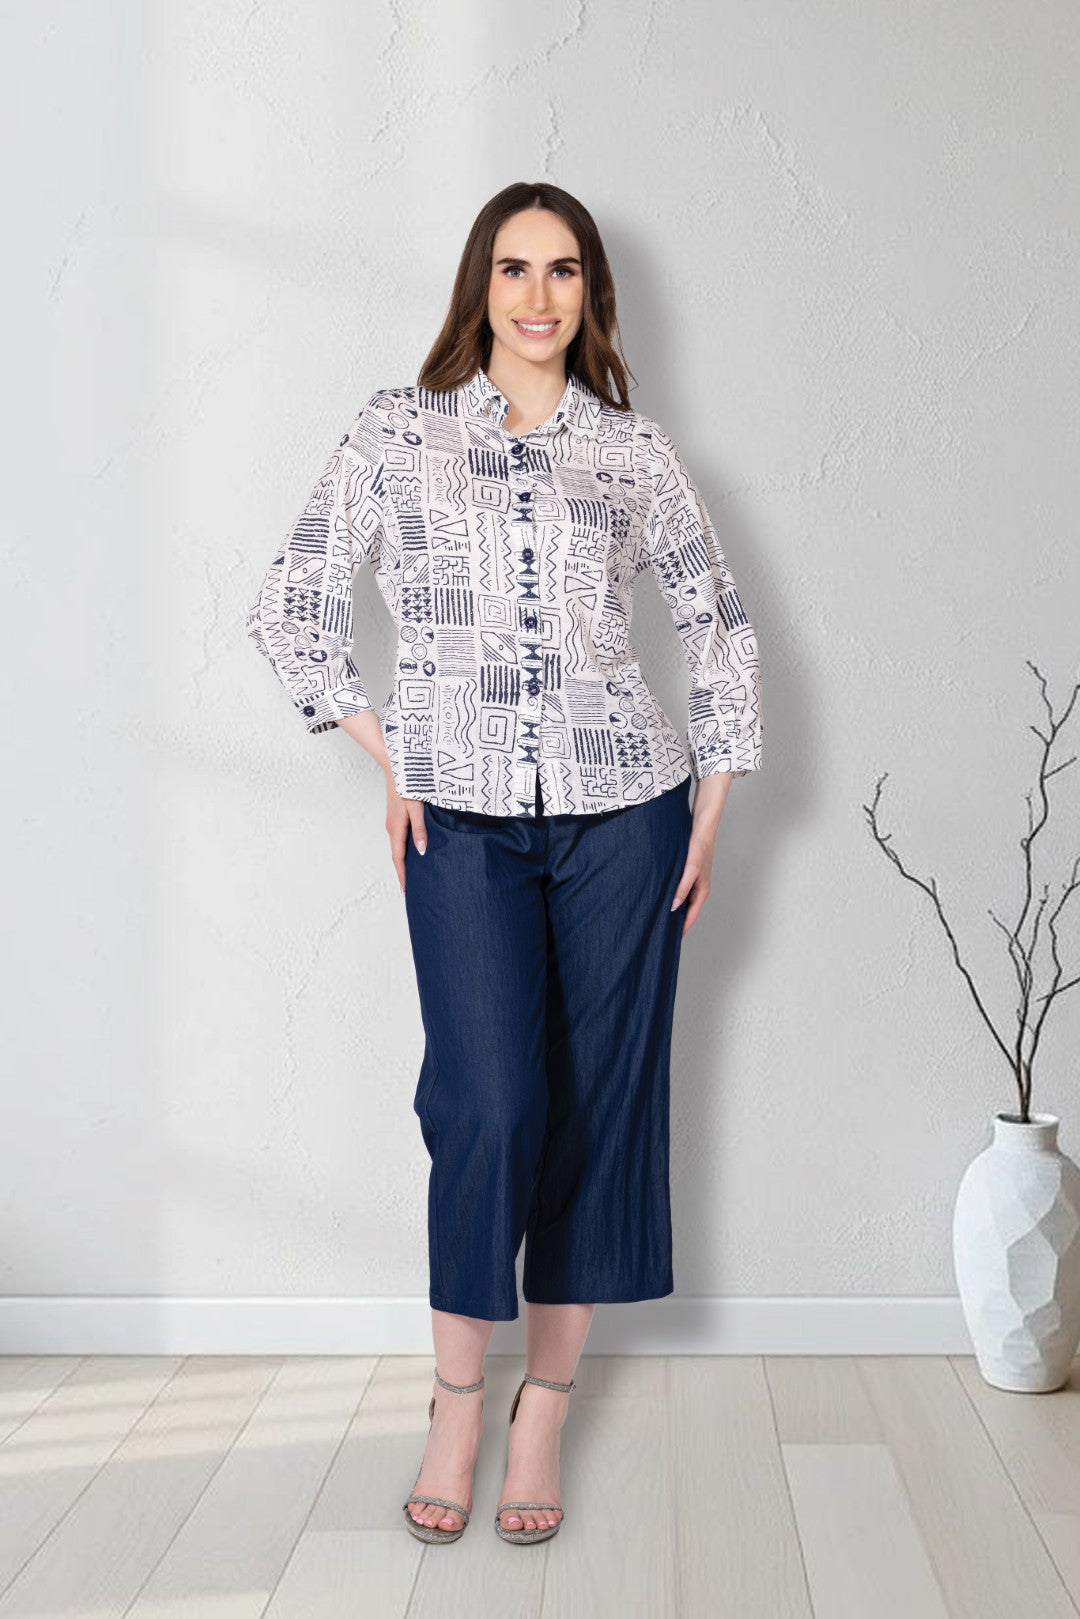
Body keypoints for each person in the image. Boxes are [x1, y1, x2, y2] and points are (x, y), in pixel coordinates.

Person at [245, 180, 762, 1548]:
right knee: (486, 1103)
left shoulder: (632, 454)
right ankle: (457, 1400)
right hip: (459, 820)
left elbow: (716, 623)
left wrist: (710, 812)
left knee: (594, 1108)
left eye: (565, 270)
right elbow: (292, 604)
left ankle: (546, 1408)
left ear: (593, 293)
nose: (539, 296)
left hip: (627, 813)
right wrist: (391, 753)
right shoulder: (398, 430)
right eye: (515, 268)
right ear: (480, 285)